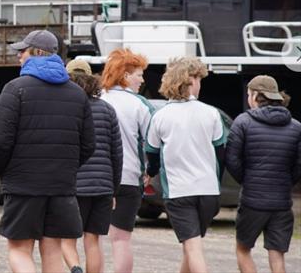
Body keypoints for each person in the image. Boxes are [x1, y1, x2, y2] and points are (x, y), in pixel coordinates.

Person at [0, 30, 95, 273]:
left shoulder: (15, 89)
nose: (19, 55)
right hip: (61, 186)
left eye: (23, 51)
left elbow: (1, 140)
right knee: (53, 250)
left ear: (37, 53)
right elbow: (89, 144)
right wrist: (66, 167)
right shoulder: (77, 94)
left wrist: (2, 171)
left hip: (23, 185)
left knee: (19, 249)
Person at [145, 57, 225, 273]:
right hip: (208, 191)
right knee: (192, 245)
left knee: (193, 247)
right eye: (197, 79)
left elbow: (151, 154)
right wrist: (214, 181)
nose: (200, 84)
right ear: (188, 82)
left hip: (179, 192)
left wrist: (149, 173)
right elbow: (220, 154)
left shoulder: (160, 116)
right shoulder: (212, 114)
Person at [225, 76, 301, 273]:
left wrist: (248, 180)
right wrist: (286, 182)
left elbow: (232, 160)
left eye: (249, 94)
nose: (248, 98)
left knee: (243, 249)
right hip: (282, 202)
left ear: (256, 96)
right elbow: (298, 165)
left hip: (252, 200)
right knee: (277, 255)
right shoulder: (296, 127)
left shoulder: (243, 122)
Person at [61, 59, 123, 273]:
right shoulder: (107, 110)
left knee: (67, 238)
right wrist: (113, 189)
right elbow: (117, 154)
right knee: (93, 240)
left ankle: (75, 268)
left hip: (74, 186)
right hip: (103, 185)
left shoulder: (67, 109)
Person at [99, 48, 153, 273]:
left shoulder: (98, 99)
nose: (142, 79)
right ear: (125, 76)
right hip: (129, 176)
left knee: (93, 238)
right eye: (138, 74)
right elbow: (151, 142)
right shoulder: (140, 105)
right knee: (121, 239)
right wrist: (149, 170)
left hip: (99, 178)